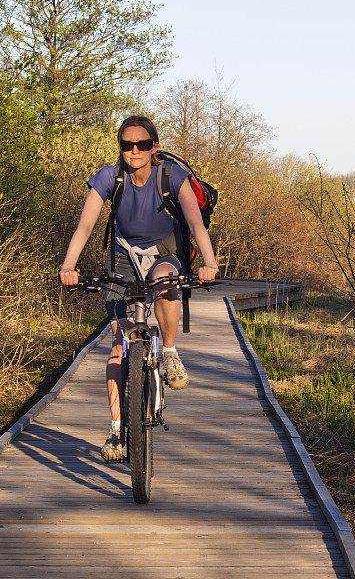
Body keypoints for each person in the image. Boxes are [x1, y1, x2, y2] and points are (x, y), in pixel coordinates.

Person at [59, 115, 218, 462]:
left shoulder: (172, 176)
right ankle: (117, 431)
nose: (134, 151)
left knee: (164, 278)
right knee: (117, 346)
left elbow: (194, 221)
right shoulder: (109, 177)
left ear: (154, 147)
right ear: (120, 148)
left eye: (143, 144)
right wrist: (68, 266)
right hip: (122, 257)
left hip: (165, 251)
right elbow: (85, 226)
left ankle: (171, 353)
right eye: (127, 145)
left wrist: (209, 263)